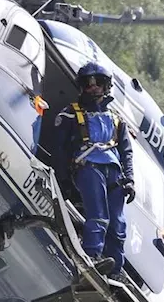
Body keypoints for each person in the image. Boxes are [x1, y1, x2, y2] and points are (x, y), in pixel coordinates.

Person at [52, 61, 135, 276]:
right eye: (88, 83)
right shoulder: (70, 113)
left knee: (118, 225)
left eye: (98, 82)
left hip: (115, 173)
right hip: (88, 168)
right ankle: (92, 257)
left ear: (107, 86)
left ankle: (115, 270)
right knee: (98, 217)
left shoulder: (117, 120)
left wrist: (130, 179)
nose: (93, 87)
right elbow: (59, 149)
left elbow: (126, 152)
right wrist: (62, 180)